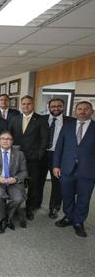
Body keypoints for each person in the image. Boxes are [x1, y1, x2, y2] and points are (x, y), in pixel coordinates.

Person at [53, 101, 95, 237]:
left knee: (84, 198)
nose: (83, 111)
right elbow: (59, 147)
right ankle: (68, 216)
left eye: (86, 109)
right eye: (80, 109)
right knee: (67, 195)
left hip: (88, 170)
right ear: (75, 111)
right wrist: (56, 165)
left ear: (92, 111)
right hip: (66, 168)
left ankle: (78, 222)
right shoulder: (67, 126)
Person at [9, 95, 48, 221]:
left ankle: (29, 208)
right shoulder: (15, 119)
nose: (26, 106)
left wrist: (39, 154)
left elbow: (44, 139)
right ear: (21, 105)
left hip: (33, 159)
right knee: (14, 181)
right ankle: (13, 206)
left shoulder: (40, 119)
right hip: (16, 157)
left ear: (33, 104)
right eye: (24, 104)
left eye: (28, 104)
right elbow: (9, 136)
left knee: (33, 184)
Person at [0, 131, 27, 233]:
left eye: (8, 139)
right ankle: (2, 220)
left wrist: (15, 178)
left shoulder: (19, 154)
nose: (5, 141)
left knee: (18, 198)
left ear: (12, 142)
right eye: (3, 139)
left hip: (13, 181)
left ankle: (6, 216)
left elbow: (24, 171)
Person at [40, 98, 74, 219]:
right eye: (53, 106)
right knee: (38, 181)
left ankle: (54, 207)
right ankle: (35, 204)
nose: (56, 108)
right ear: (49, 107)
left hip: (59, 156)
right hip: (41, 155)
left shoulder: (71, 121)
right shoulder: (41, 119)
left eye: (59, 106)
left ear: (63, 107)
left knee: (57, 183)